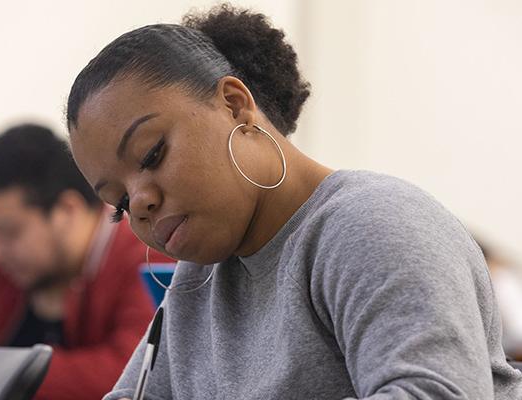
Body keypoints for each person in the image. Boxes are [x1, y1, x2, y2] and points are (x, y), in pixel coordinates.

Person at [66, 5, 522, 399]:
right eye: (119, 202)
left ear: (233, 104)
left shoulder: (371, 224)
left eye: (152, 154)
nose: (141, 203)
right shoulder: (196, 282)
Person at [0, 124, 173, 400]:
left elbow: (135, 373)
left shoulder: (148, 260)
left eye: (10, 232)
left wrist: (2, 373)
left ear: (68, 210)